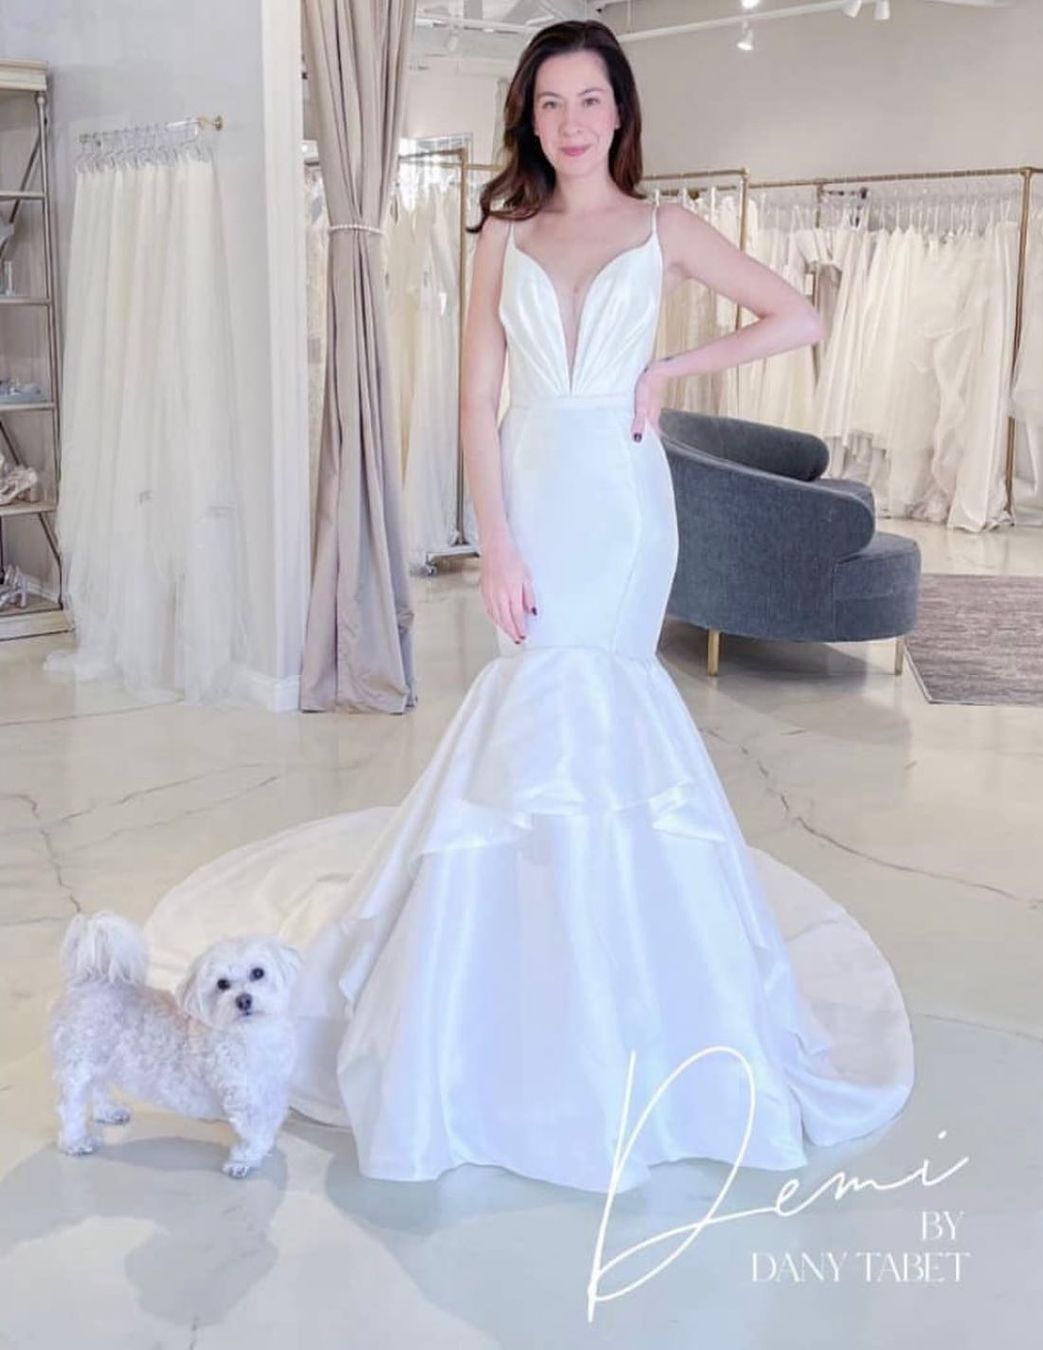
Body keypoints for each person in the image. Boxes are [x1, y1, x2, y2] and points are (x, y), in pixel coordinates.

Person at [143, 19, 913, 1194]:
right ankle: (519, 984)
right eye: (550, 102)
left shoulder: (665, 229)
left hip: (627, 504)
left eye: (589, 99)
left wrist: (670, 371)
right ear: (528, 117)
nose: (571, 122)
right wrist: (493, 537)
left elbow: (799, 318)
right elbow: (477, 397)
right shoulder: (503, 230)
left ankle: (622, 986)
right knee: (531, 715)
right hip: (537, 493)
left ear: (621, 109)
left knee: (610, 712)